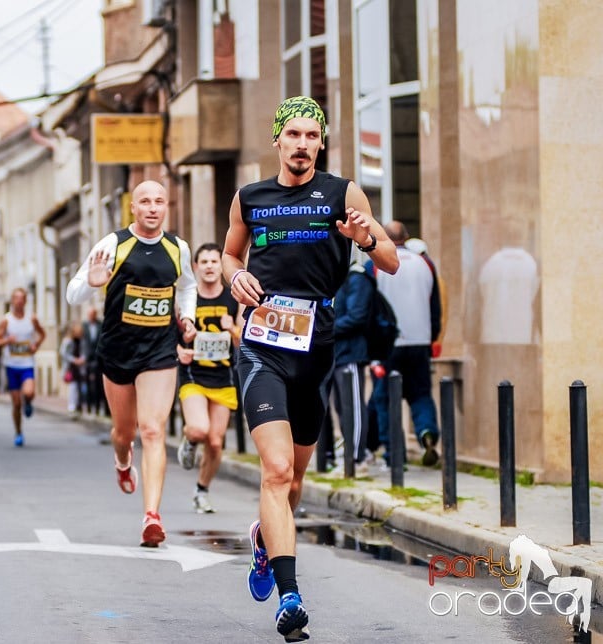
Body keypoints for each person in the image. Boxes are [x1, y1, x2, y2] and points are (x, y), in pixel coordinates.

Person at [222, 96, 398, 640]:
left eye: (312, 136)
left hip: (316, 348)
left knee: (294, 479)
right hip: (261, 346)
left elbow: (389, 258)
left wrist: (364, 237)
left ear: (321, 143)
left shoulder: (341, 192)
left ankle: (264, 540)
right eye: (293, 134)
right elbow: (232, 253)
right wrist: (234, 276)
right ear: (277, 139)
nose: (302, 144)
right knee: (274, 471)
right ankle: (290, 597)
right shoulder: (249, 198)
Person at [66, 179, 197, 548]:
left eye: (159, 201)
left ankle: (151, 516)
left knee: (153, 430)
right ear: (133, 208)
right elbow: (71, 291)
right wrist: (92, 283)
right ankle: (123, 462)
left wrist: (186, 318)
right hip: (119, 351)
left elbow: (187, 287)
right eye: (145, 202)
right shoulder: (114, 244)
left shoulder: (178, 248)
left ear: (166, 207)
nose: (153, 208)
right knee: (124, 433)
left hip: (159, 350)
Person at [175, 242, 243, 514]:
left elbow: (242, 341)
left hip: (223, 377)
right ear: (196, 267)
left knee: (215, 442)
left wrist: (233, 329)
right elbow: (171, 338)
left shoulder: (232, 299)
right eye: (204, 262)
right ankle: (190, 441)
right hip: (194, 375)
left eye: (215, 262)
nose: (210, 267)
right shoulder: (187, 300)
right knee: (199, 429)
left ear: (221, 267)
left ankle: (201, 490)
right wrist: (180, 349)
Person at [369, 221, 442, 467]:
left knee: (385, 399)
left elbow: (371, 307)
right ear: (407, 237)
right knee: (421, 393)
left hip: (388, 344)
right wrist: (432, 336)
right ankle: (427, 433)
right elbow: (435, 305)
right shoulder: (426, 264)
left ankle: (394, 454)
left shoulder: (375, 265)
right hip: (419, 340)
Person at [330, 255, 376, 476]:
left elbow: (356, 317)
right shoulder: (335, 276)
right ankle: (350, 453)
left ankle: (357, 458)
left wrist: (324, 328)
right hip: (336, 353)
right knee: (341, 406)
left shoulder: (356, 277)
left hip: (351, 353)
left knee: (354, 407)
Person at [0, 289, 46, 447]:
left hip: (27, 364)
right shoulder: (6, 321)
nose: (18, 301)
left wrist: (35, 345)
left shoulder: (32, 319)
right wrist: (7, 341)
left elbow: (42, 334)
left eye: (21, 298)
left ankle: (29, 402)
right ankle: (18, 432)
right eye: (16, 298)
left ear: (25, 301)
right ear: (12, 301)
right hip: (11, 365)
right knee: (16, 404)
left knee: (29, 392)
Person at [81, 307, 106, 417]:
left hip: (98, 358)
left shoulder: (100, 325)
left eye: (93, 314)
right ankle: (90, 407)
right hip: (87, 358)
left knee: (98, 385)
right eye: (90, 314)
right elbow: (83, 342)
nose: (92, 316)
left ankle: (97, 407)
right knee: (88, 384)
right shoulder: (84, 326)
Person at [59, 321, 87, 419]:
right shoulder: (68, 341)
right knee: (73, 387)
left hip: (80, 368)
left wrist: (83, 359)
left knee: (80, 388)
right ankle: (72, 408)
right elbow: (63, 353)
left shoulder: (82, 341)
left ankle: (78, 407)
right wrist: (74, 360)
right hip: (71, 368)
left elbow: (84, 351)